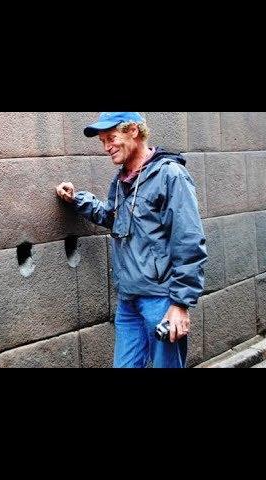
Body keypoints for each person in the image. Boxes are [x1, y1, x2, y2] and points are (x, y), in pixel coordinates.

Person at [56, 112, 207, 368]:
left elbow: (189, 241)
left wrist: (180, 304)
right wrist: (77, 199)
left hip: (161, 300)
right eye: (102, 141)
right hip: (128, 301)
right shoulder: (121, 180)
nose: (106, 147)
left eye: (111, 138)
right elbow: (114, 218)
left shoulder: (170, 175)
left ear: (134, 131)